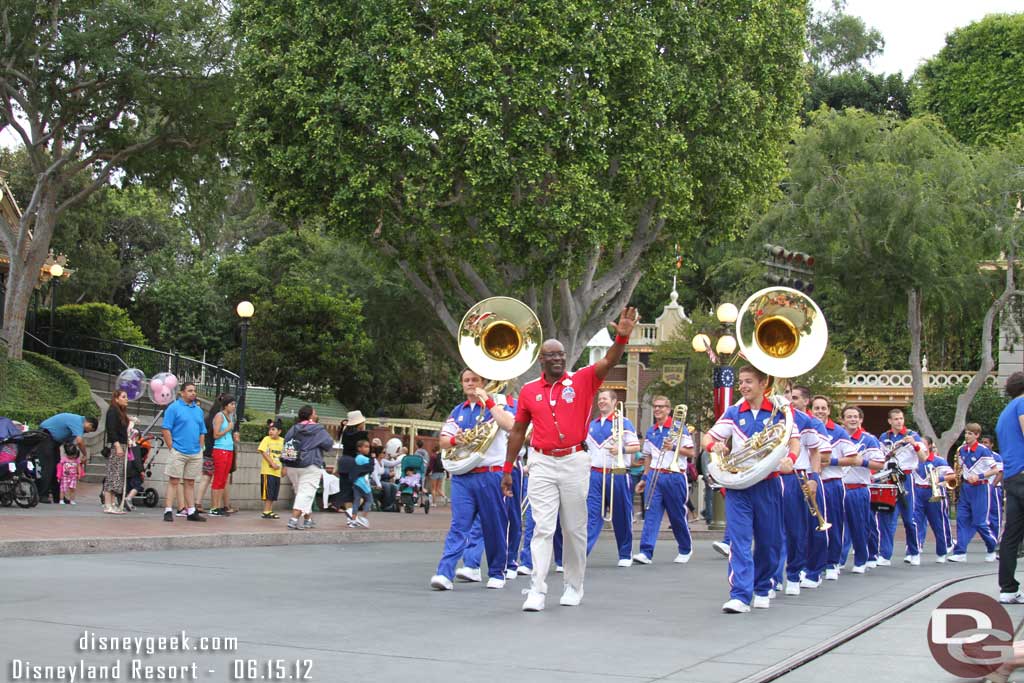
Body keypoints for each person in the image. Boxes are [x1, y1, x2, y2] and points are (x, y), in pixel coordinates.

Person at [502, 306, 638, 612]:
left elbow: (610, 360)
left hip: (575, 461)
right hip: (541, 461)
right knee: (541, 527)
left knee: (575, 528)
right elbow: (518, 431)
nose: (558, 358)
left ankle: (574, 585)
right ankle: (536, 588)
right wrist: (507, 469)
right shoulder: (529, 391)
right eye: (552, 355)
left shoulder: (582, 380)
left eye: (561, 354)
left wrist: (622, 337)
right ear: (542, 360)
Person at [703, 366, 798, 614]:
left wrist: (792, 459)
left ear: (763, 383)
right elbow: (707, 438)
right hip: (739, 485)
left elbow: (794, 440)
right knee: (739, 540)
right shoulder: (734, 412)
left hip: (768, 483)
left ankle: (763, 586)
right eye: (741, 382)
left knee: (769, 541)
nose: (743, 386)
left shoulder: (780, 411)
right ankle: (739, 595)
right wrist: (716, 445)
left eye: (748, 382)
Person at [430, 368, 515, 591]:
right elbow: (443, 440)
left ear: (484, 382)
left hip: (490, 474)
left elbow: (510, 425)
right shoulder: (458, 410)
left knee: (494, 526)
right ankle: (444, 573)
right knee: (459, 526)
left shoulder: (499, 405)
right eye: (466, 380)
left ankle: (497, 572)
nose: (470, 384)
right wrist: (457, 440)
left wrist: (488, 401)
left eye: (475, 380)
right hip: (462, 477)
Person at [581, 389, 641, 566]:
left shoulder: (624, 422)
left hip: (617, 474)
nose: (601, 402)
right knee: (591, 515)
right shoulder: (591, 424)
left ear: (615, 402)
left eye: (605, 399)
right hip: (595, 475)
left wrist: (621, 450)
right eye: (599, 399)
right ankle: (582, 554)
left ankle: (625, 554)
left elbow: (635, 446)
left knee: (621, 515)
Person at [634, 394, 693, 566]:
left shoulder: (679, 427)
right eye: (655, 406)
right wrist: (644, 478)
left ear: (668, 409)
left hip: (674, 475)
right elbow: (648, 457)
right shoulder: (651, 430)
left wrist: (673, 447)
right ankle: (646, 552)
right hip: (654, 475)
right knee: (651, 514)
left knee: (676, 516)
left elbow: (691, 452)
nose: (658, 409)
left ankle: (685, 548)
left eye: (661, 406)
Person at [810, 395, 858, 581]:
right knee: (810, 526)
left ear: (829, 411)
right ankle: (814, 563)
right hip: (810, 483)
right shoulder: (806, 427)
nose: (820, 411)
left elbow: (853, 458)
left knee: (835, 524)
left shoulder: (837, 431)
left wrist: (829, 462)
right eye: (817, 408)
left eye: (824, 408)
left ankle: (832, 562)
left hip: (831, 483)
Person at [877, 408, 926, 565]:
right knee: (887, 517)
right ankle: (885, 554)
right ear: (890, 421)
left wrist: (915, 445)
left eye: (901, 418)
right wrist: (892, 450)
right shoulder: (885, 437)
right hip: (889, 477)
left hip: (906, 477)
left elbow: (924, 458)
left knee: (909, 517)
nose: (899, 421)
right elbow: (879, 457)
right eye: (896, 419)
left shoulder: (913, 435)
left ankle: (913, 551)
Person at [948, 423, 1000, 563]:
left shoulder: (983, 450)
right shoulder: (962, 450)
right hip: (966, 488)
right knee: (962, 520)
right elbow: (960, 469)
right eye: (966, 433)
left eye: (970, 433)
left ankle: (992, 547)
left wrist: (980, 476)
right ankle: (960, 552)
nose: (967, 436)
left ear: (977, 435)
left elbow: (995, 470)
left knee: (980, 522)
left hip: (980, 488)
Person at [840, 405, 881, 573]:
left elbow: (879, 464)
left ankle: (861, 560)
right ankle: (836, 560)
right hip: (838, 487)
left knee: (859, 526)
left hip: (858, 488)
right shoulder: (837, 437)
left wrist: (862, 462)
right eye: (849, 416)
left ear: (861, 419)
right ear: (842, 419)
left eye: (855, 416)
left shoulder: (869, 440)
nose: (852, 419)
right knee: (837, 528)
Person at [995, 371, 1024, 603]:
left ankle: (1008, 589)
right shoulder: (1023, 404)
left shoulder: (1004, 413)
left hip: (1013, 477)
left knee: (1011, 535)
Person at [160, 382, 207, 522]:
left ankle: (191, 510)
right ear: (182, 393)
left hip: (195, 452)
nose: (193, 393)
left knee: (190, 482)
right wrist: (171, 447)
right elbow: (166, 428)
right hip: (179, 450)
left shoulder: (198, 410)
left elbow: (202, 431)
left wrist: (201, 447)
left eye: (194, 391)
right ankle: (168, 510)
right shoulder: (174, 408)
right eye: (190, 390)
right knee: (174, 480)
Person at [283, 405, 334, 530]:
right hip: (311, 463)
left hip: (292, 464)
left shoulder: (294, 428)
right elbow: (328, 444)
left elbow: (285, 443)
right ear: (311, 415)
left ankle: (308, 519)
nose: (316, 415)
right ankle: (294, 519)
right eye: (315, 413)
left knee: (301, 492)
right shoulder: (318, 429)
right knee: (306, 493)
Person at [37, 412, 97, 504]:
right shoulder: (78, 422)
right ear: (89, 424)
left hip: (53, 442)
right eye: (90, 430)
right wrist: (85, 454)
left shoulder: (75, 425)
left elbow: (70, 444)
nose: (87, 432)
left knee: (57, 468)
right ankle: (42, 495)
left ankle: (58, 497)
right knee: (48, 467)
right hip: (45, 437)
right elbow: (80, 441)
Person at [912, 435, 953, 562]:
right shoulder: (913, 460)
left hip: (933, 491)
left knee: (937, 523)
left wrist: (938, 479)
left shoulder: (938, 461)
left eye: (923, 444)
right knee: (915, 522)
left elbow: (951, 475)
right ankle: (915, 551)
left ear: (929, 446)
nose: (921, 446)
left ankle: (941, 552)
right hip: (918, 491)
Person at [208, 394, 238, 516]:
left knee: (224, 478)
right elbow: (216, 434)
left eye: (234, 404)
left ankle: (218, 506)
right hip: (220, 449)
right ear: (225, 405)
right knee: (218, 478)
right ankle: (214, 506)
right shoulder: (220, 416)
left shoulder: (230, 417)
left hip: (229, 449)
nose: (234, 406)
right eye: (231, 404)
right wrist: (228, 429)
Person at [102, 390, 130, 514]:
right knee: (113, 474)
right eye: (123, 397)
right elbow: (111, 429)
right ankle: (108, 504)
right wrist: (117, 445)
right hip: (117, 445)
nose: (126, 399)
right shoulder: (113, 411)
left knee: (117, 475)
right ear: (116, 398)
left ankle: (112, 503)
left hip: (122, 444)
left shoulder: (120, 412)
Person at [258, 420, 285, 519]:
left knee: (273, 492)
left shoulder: (283, 441)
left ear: (279, 431)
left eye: (273, 429)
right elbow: (263, 452)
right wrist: (272, 463)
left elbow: (285, 455)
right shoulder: (266, 439)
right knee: (268, 492)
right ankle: (266, 511)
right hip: (268, 471)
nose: (271, 431)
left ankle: (269, 510)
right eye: (270, 429)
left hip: (277, 472)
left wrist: (284, 468)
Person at [982, 436, 1005, 543]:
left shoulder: (996, 457)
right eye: (982, 442)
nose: (984, 444)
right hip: (981, 488)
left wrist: (992, 486)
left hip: (993, 488)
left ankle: (996, 537)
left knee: (995, 514)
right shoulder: (979, 455)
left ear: (991, 445)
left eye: (986, 442)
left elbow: (1000, 473)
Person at [349, 439, 373, 528]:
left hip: (356, 482)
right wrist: (373, 456)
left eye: (368, 447)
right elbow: (371, 464)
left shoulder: (357, 458)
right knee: (369, 500)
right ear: (359, 448)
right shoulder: (363, 458)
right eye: (366, 447)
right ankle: (363, 518)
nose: (368, 449)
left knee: (356, 501)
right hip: (363, 483)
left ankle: (353, 520)